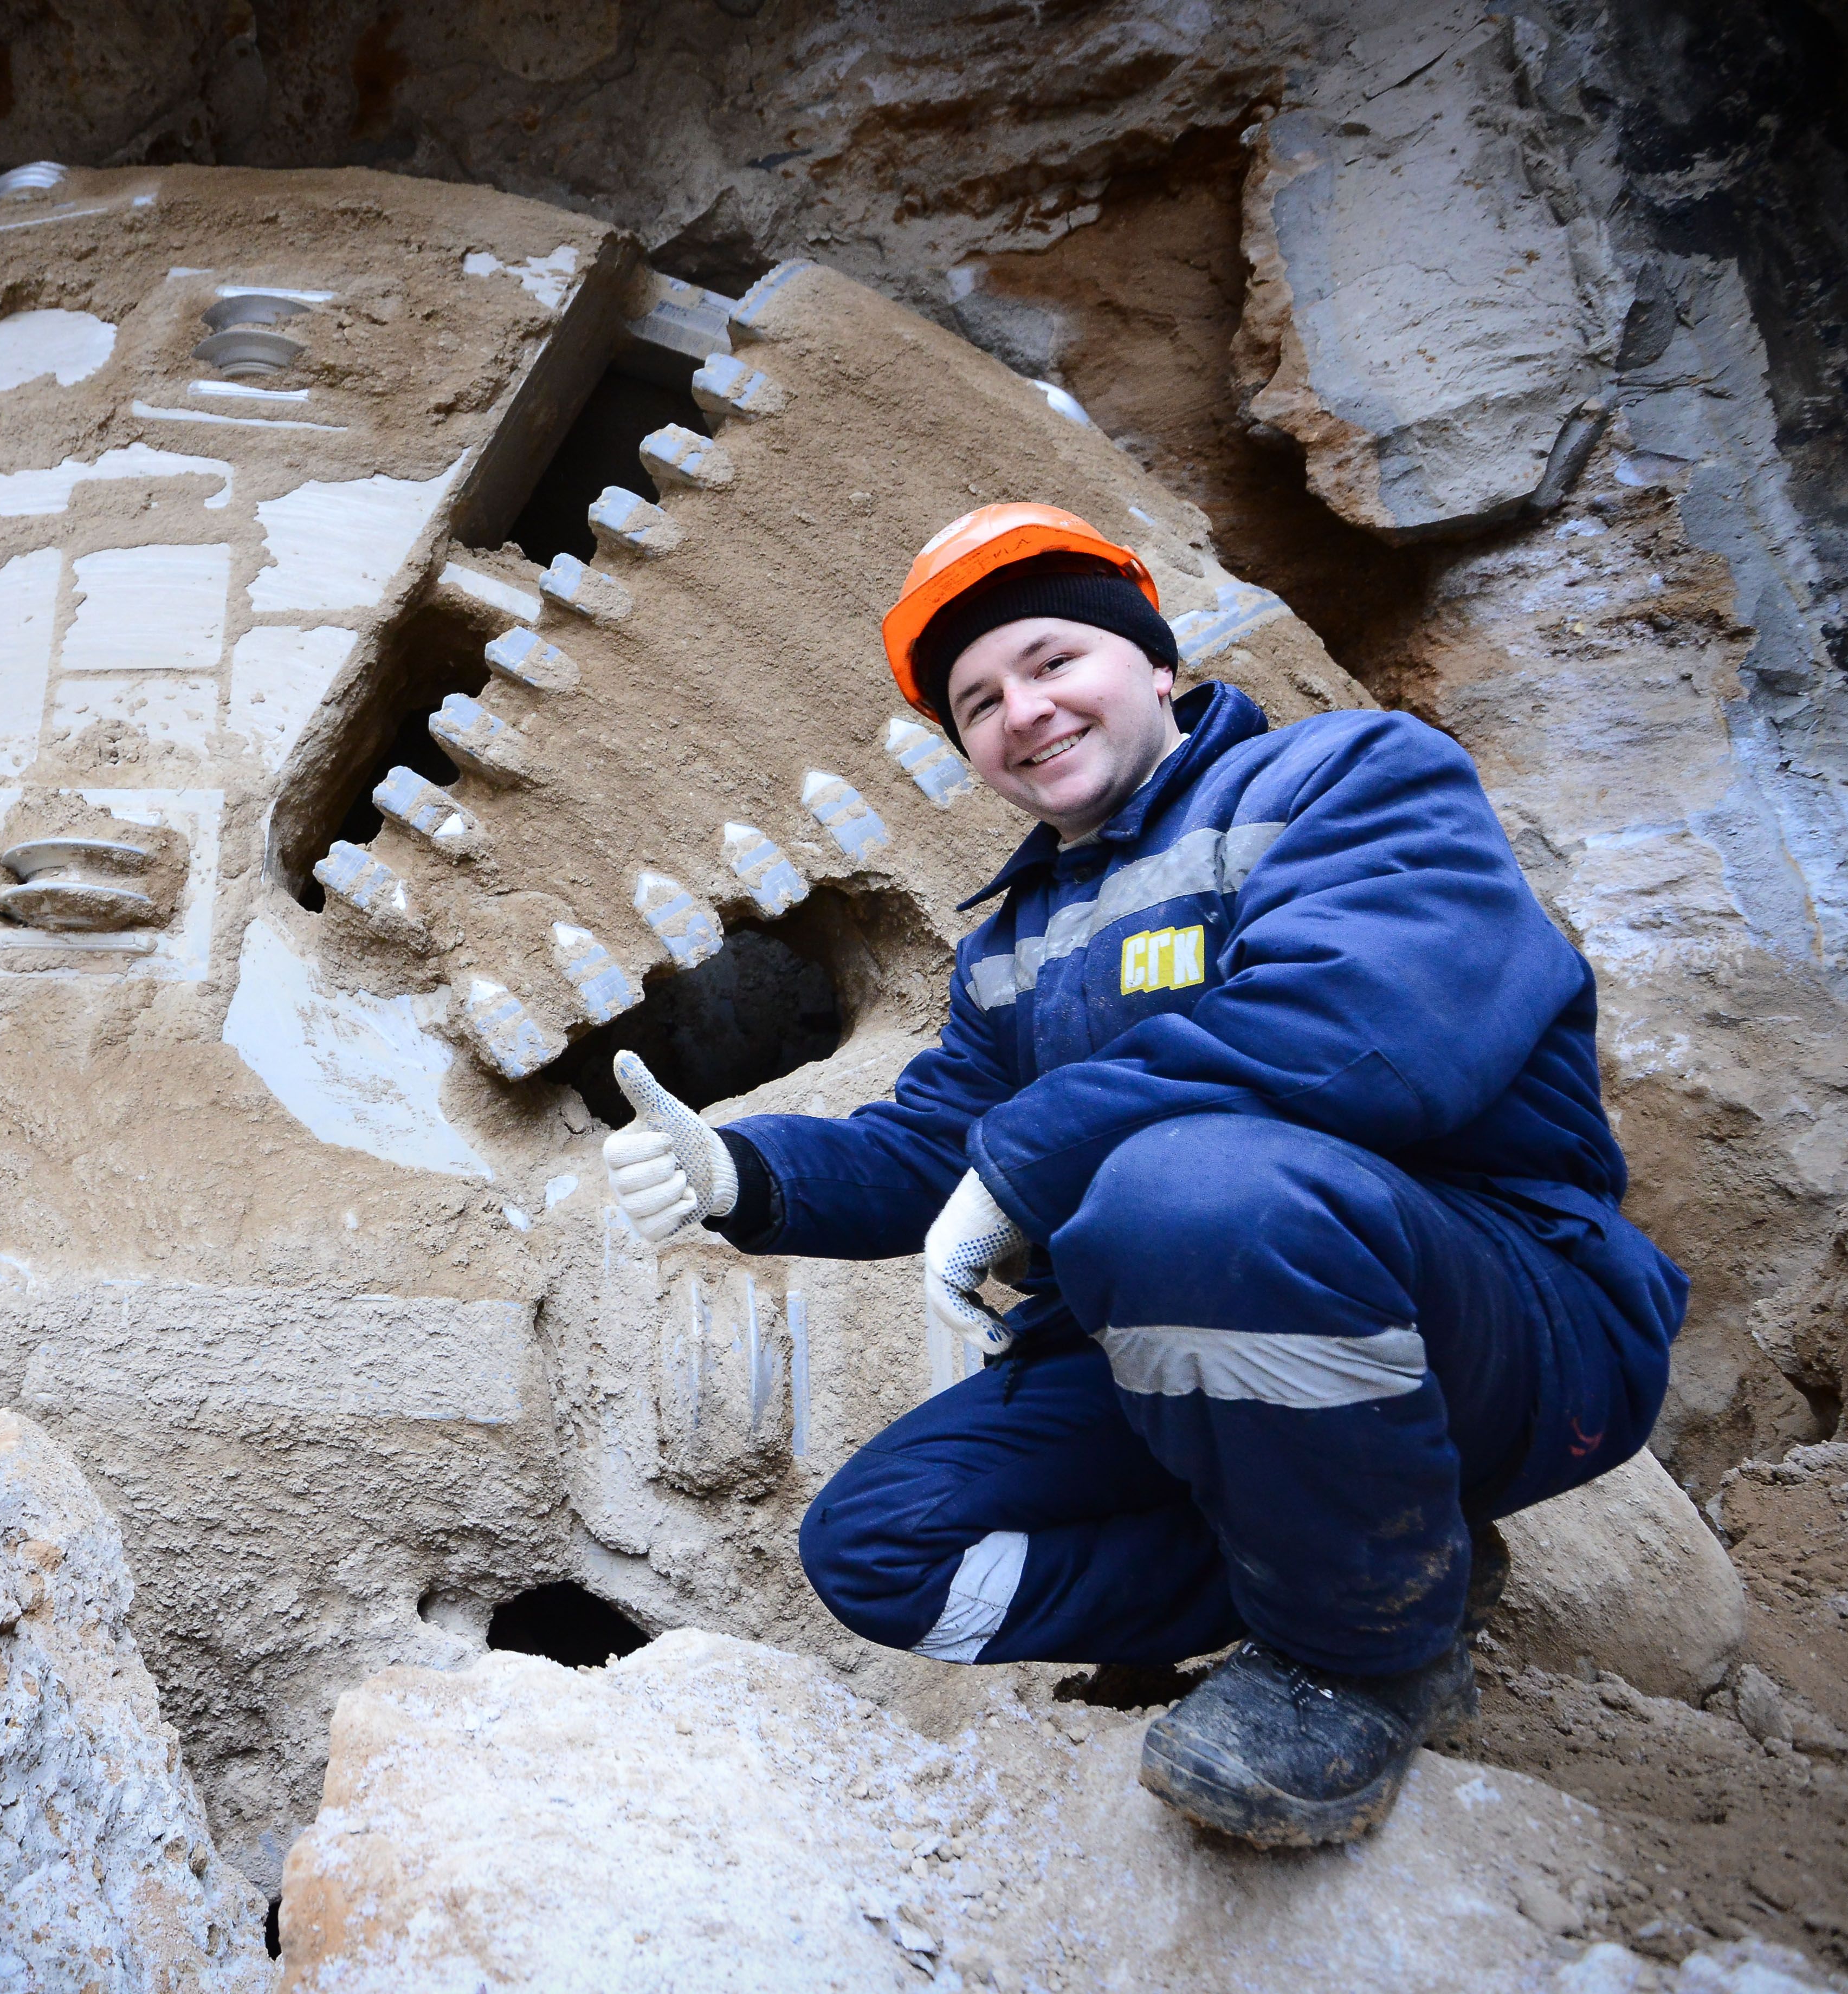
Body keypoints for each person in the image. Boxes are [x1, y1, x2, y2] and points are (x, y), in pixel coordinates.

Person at [600, 503, 1685, 1848]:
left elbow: (1362, 1031)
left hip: (1513, 1318)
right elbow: (939, 1141)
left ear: (1153, 662)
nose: (1023, 710)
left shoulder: (1348, 780)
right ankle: (1367, 1568)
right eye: (979, 701)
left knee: (1186, 1192)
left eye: (1053, 659)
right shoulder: (1018, 946)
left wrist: (1038, 1155)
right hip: (1205, 1347)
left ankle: (1355, 1661)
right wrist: (741, 1173)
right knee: (882, 1548)